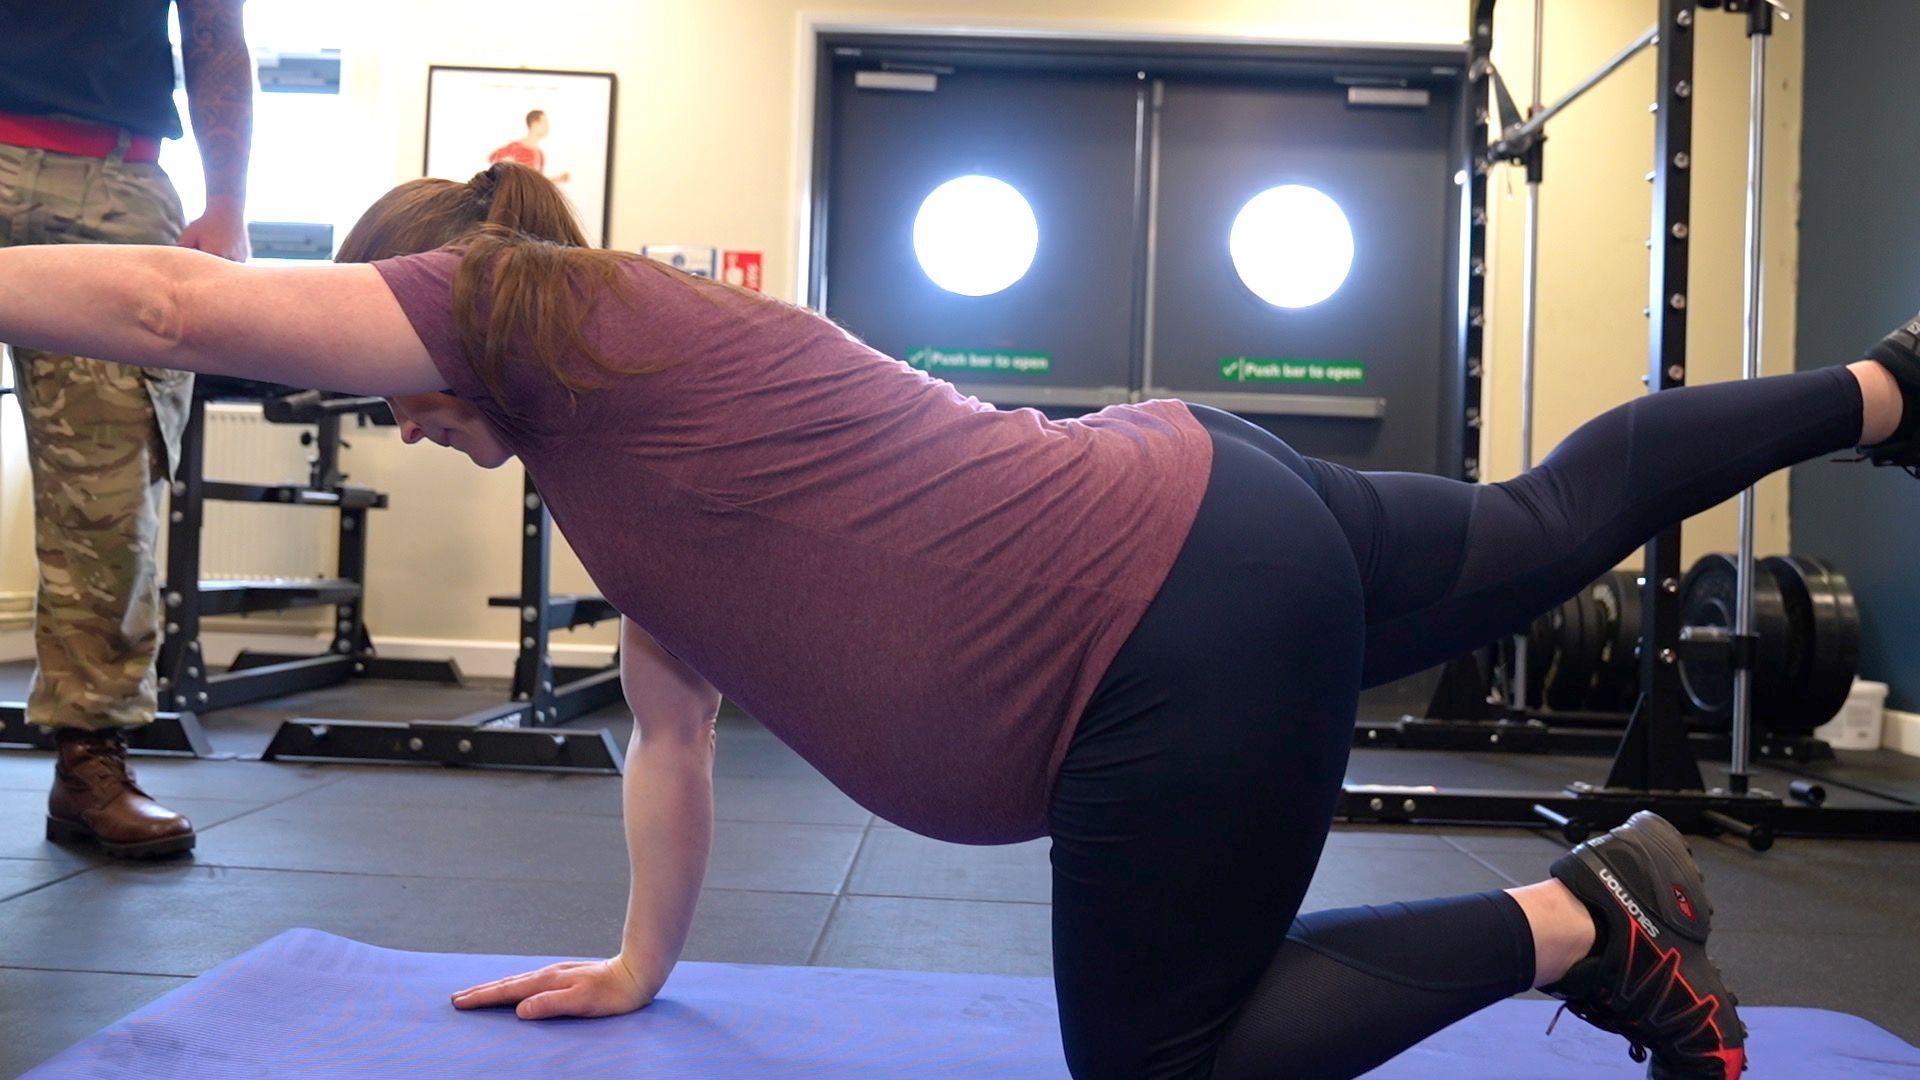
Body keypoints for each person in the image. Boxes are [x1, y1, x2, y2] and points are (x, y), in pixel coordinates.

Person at [4, 163, 1915, 1079]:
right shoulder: (616, 454)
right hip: (1205, 498)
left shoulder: (540, 304)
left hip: (1157, 630)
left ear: (431, 300)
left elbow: (172, 307)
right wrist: (632, 967)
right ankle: (1895, 390)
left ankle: (1589, 916)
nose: (401, 426)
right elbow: (668, 741)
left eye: (388, 384)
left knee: (1167, 1066)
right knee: (1547, 517)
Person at [0, 0, 253, 859]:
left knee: (107, 505)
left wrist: (228, 203)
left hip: (110, 183)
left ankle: (89, 766)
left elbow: (215, 31)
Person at [487, 109, 570, 184]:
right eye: (544, 123)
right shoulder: (516, 147)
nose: (547, 127)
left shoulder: (540, 154)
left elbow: (538, 181)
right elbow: (493, 158)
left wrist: (559, 179)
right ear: (535, 123)